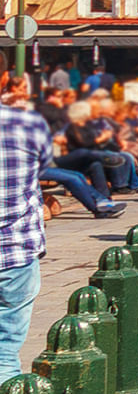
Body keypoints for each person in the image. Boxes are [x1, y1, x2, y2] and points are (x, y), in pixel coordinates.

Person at [0, 75, 52, 366]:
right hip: (14, 247)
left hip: (16, 247)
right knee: (5, 351)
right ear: (5, 79)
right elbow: (42, 167)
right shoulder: (29, 124)